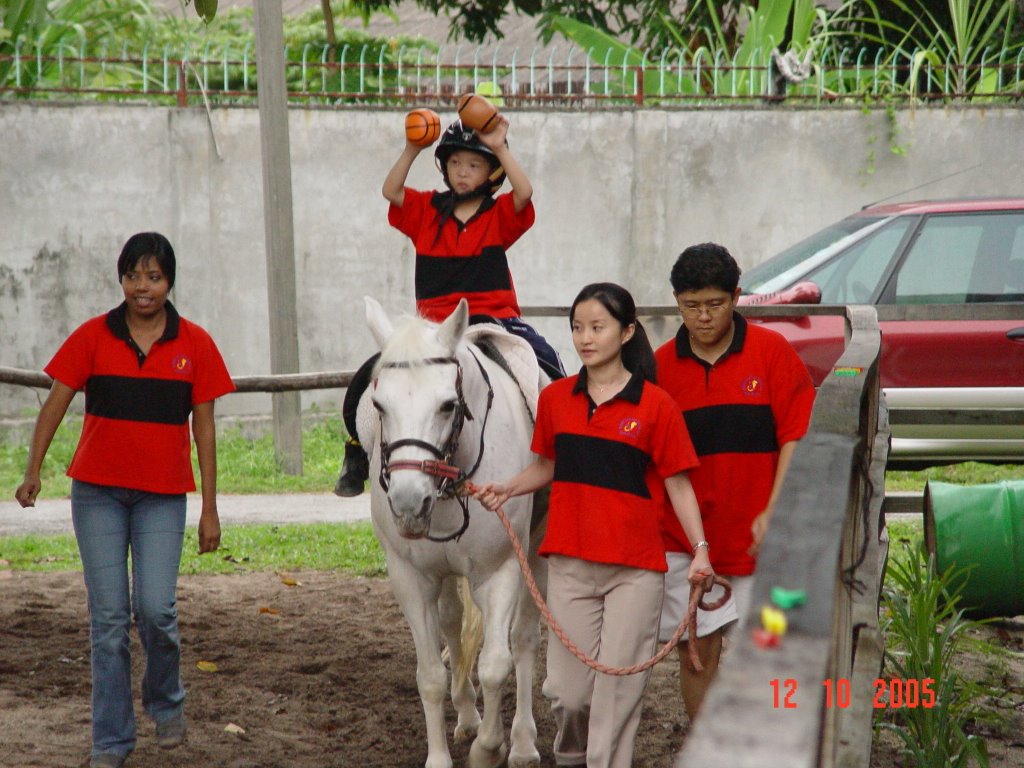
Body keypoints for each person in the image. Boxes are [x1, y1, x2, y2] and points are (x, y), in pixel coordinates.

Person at [14, 232, 235, 768]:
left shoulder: (196, 344)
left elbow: (203, 430)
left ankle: (165, 701)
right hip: (97, 496)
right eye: (134, 275)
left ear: (169, 282)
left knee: (155, 610)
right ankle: (110, 741)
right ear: (121, 279)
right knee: (108, 620)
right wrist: (33, 471)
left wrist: (209, 507)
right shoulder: (92, 336)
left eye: (154, 277)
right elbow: (55, 405)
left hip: (163, 497)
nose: (143, 287)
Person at [473, 282, 711, 768]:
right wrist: (507, 487)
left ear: (626, 333)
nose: (585, 337)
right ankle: (572, 757)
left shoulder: (656, 406)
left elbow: (679, 485)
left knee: (616, 699)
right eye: (578, 327)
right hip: (569, 566)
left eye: (597, 327)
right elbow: (547, 466)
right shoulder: (557, 399)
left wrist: (701, 548)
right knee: (568, 695)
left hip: (636, 570)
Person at [334, 112, 564, 496]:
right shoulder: (425, 211)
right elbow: (391, 191)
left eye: (474, 164)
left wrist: (500, 147)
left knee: (546, 365)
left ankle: (557, 455)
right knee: (366, 380)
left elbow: (523, 193)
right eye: (455, 162)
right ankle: (358, 453)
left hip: (497, 321)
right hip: (432, 328)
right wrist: (412, 149)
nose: (462, 171)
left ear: (491, 173)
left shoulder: (500, 214)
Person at [654, 242, 815, 721]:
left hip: (759, 539)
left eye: (715, 304)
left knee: (767, 655)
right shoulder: (659, 368)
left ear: (737, 296)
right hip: (687, 542)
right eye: (690, 306)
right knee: (695, 652)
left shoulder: (773, 354)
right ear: (677, 302)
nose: (702, 317)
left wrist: (776, 508)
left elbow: (796, 436)